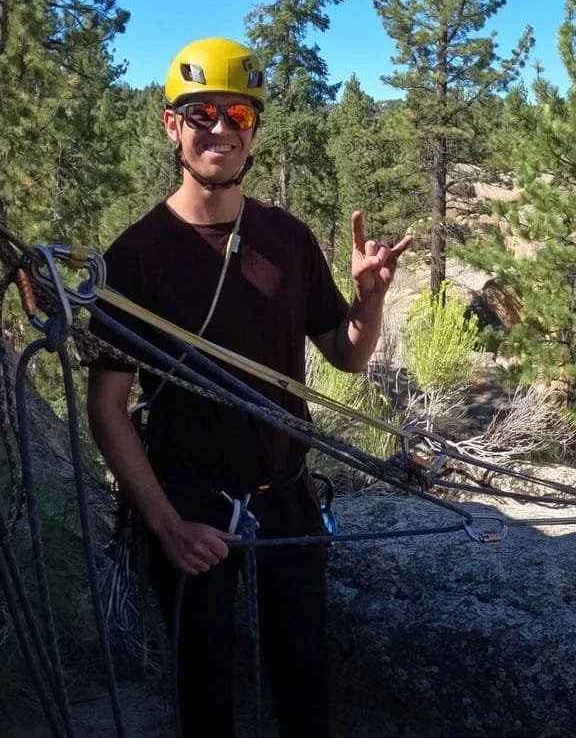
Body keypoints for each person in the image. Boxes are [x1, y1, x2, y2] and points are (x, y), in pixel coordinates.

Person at [86, 37, 410, 738]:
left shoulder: (286, 238)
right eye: (202, 113)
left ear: (254, 128)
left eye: (238, 114)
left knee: (303, 683)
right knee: (203, 696)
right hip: (190, 504)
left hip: (285, 494)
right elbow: (107, 410)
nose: (221, 130)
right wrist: (168, 528)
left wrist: (371, 298)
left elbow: (346, 356)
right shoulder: (135, 257)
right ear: (171, 124)